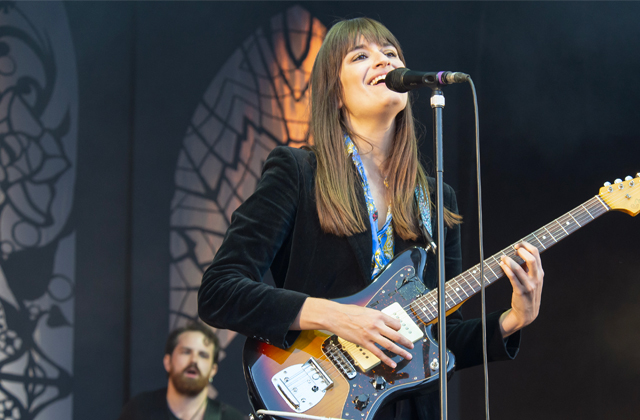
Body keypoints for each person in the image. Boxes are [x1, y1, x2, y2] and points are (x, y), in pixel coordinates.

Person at [198, 17, 544, 420]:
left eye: (390, 53)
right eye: (361, 55)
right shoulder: (296, 172)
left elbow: (441, 339)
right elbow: (219, 291)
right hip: (318, 401)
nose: (383, 61)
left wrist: (513, 319)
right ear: (336, 93)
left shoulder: (435, 198)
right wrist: (338, 316)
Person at [118, 323, 245, 420]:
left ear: (213, 370)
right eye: (186, 352)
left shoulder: (230, 417)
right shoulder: (139, 410)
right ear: (168, 362)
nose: (193, 360)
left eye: (203, 355)